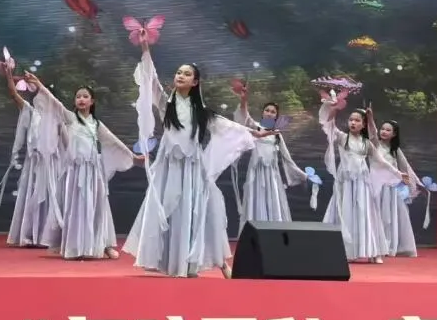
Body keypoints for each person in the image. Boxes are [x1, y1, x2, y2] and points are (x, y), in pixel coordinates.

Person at [123, 42, 260, 278]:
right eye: (179, 72)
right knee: (170, 209)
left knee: (197, 210)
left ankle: (207, 262)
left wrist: (257, 133)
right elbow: (151, 79)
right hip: (169, 168)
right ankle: (172, 261)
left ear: (195, 82)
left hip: (192, 168)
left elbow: (229, 127)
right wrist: (145, 47)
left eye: (187, 74)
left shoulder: (201, 111)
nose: (181, 76)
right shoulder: (166, 104)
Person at [22, 72, 142, 260]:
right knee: (75, 208)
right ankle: (74, 245)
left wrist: (133, 157)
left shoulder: (96, 124)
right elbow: (54, 102)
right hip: (74, 172)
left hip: (93, 173)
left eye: (85, 96)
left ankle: (103, 244)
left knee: (97, 207)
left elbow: (113, 142)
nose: (81, 99)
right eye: (78, 96)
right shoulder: (70, 118)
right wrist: (38, 84)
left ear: (92, 101)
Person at [319, 99, 406, 263]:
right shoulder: (342, 137)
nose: (353, 123)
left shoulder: (367, 143)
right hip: (346, 182)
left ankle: (373, 251)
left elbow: (381, 160)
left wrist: (398, 173)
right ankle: (347, 251)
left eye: (357, 120)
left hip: (362, 182)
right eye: (351, 120)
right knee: (345, 213)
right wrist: (334, 110)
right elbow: (328, 125)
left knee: (365, 214)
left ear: (363, 124)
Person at [0, 66, 63, 249]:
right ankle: (30, 234)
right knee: (31, 196)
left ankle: (49, 236)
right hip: (34, 162)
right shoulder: (31, 112)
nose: (40, 100)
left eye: (44, 96)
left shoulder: (58, 116)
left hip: (52, 164)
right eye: (38, 97)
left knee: (50, 198)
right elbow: (14, 95)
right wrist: (8, 75)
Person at [232, 92, 308, 228]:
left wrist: (302, 175)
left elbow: (287, 158)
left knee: (273, 199)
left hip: (272, 174)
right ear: (262, 113)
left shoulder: (277, 135)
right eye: (267, 110)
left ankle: (274, 230)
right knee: (256, 199)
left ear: (276, 116)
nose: (269, 113)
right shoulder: (255, 127)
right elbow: (244, 116)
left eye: (273, 112)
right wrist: (243, 99)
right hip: (256, 172)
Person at [366, 108, 423, 257]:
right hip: (375, 186)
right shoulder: (375, 145)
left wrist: (416, 183)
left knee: (390, 218)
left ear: (394, 134)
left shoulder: (395, 150)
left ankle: (389, 244)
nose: (384, 132)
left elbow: (405, 167)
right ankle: (376, 245)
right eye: (382, 129)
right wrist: (370, 118)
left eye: (388, 130)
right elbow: (372, 133)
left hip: (390, 188)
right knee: (376, 216)